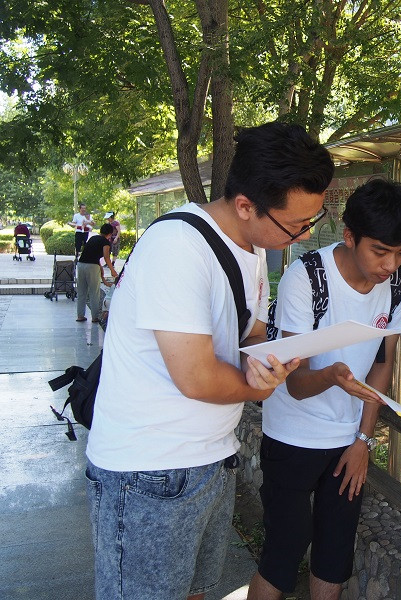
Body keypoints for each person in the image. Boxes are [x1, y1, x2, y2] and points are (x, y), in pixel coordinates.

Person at [85, 122, 334, 600]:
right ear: (244, 204)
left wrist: (271, 356)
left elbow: (251, 332)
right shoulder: (177, 246)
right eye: (295, 224)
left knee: (197, 591)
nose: (304, 234)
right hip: (149, 469)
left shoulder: (254, 246)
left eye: (312, 220)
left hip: (212, 458)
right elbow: (197, 378)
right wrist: (262, 385)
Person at [247, 178, 401, 600]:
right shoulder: (307, 278)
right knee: (282, 555)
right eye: (380, 251)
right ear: (349, 236)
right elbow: (296, 384)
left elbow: (382, 364)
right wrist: (332, 376)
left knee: (334, 555)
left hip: (348, 441)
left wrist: (363, 440)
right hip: (292, 436)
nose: (390, 265)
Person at [75, 223, 118, 323]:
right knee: (94, 292)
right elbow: (106, 257)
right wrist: (112, 270)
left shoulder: (93, 238)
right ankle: (94, 317)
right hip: (92, 267)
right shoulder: (106, 242)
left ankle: (80, 315)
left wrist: (100, 268)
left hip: (81, 264)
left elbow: (91, 253)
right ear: (110, 234)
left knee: (82, 291)